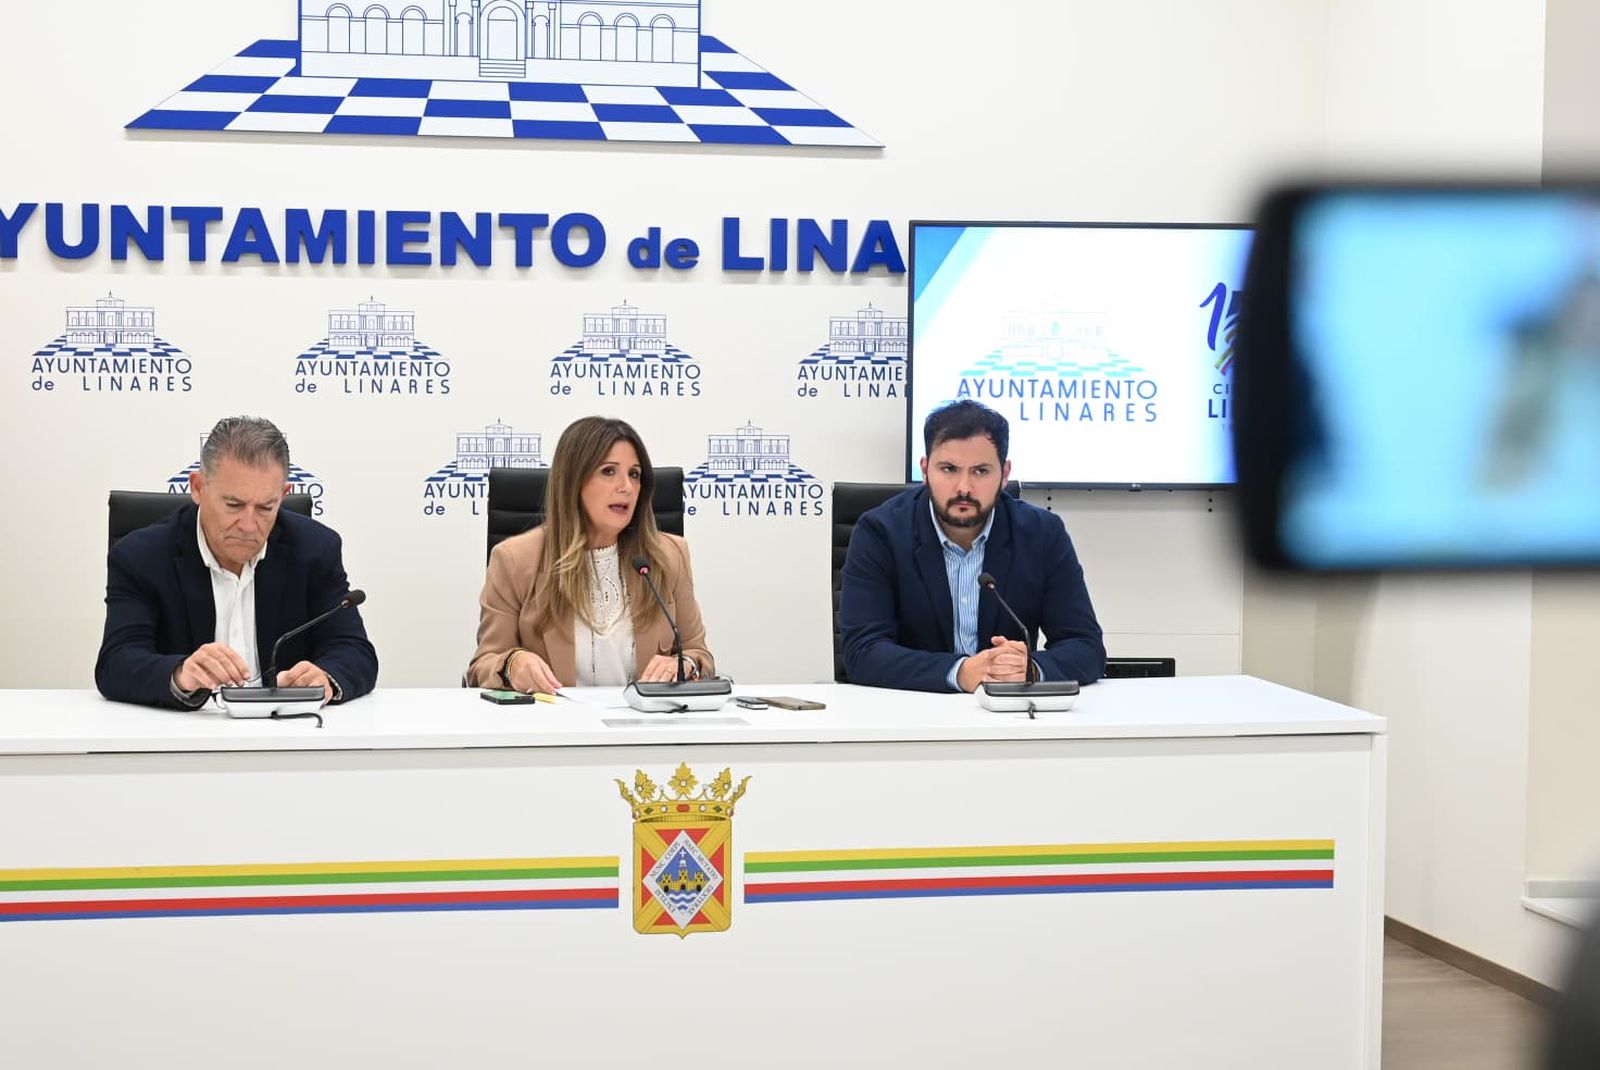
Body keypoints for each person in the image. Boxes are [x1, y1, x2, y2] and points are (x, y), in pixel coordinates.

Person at [95, 416, 378, 709]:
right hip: (185, 735)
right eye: (233, 505)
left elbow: (353, 650)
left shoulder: (315, 549)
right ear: (197, 487)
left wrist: (326, 679)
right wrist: (181, 674)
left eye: (265, 507)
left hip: (287, 732)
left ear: (283, 496)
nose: (248, 524)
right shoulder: (141, 557)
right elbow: (117, 662)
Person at [839, 399, 1105, 693]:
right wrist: (961, 672)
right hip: (911, 712)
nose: (963, 487)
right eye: (949, 469)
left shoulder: (1042, 534)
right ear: (925, 470)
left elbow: (1086, 647)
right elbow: (862, 652)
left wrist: (1030, 668)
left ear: (1004, 474)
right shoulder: (880, 532)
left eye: (980, 471)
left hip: (1008, 718)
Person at [466, 415, 715, 692]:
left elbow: (698, 653)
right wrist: (512, 664)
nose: (627, 487)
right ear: (574, 481)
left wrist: (685, 664)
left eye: (634, 474)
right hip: (554, 727)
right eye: (609, 471)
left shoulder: (668, 555)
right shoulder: (514, 559)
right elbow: (483, 665)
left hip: (646, 727)